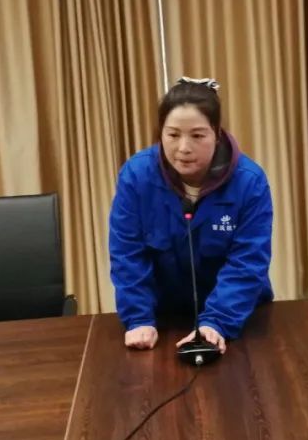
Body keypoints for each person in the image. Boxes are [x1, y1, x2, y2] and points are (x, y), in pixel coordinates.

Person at [110, 78, 273, 353]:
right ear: (160, 133)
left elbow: (248, 261)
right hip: (163, 321)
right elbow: (127, 254)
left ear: (216, 134)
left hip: (236, 318)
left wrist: (217, 322)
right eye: (173, 135)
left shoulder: (249, 182)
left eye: (197, 136)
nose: (183, 148)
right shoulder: (136, 177)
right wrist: (139, 318)